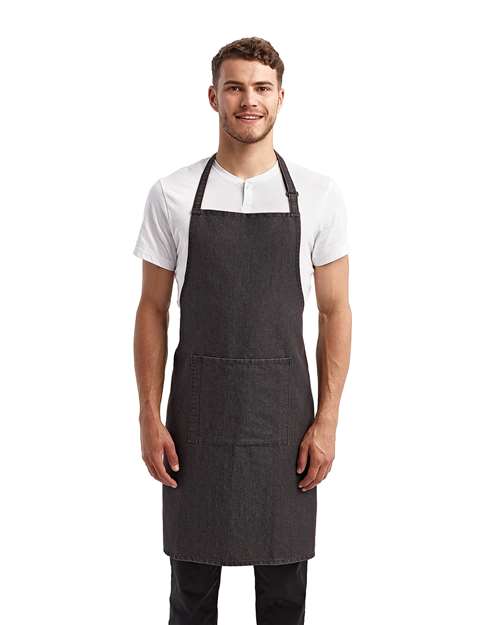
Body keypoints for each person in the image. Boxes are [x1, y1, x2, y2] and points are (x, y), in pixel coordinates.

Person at [133, 36, 351, 625]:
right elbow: (152, 309)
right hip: (195, 423)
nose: (248, 100)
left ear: (280, 97)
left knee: (283, 596)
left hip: (284, 424)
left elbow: (335, 312)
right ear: (214, 97)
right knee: (191, 595)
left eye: (260, 88)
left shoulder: (320, 195)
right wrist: (149, 414)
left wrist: (328, 419)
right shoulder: (172, 194)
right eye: (234, 87)